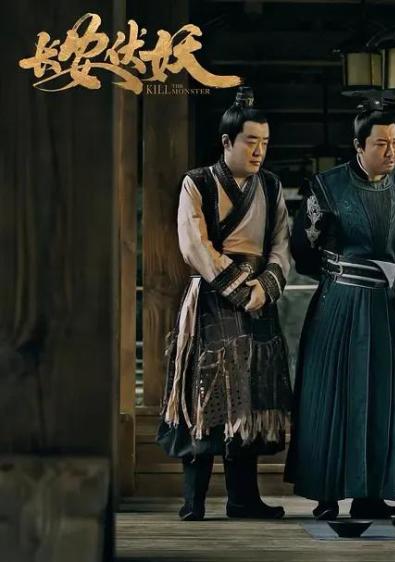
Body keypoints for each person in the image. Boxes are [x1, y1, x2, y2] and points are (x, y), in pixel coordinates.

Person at [283, 99, 395, 520]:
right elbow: (301, 250)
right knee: (330, 396)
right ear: (359, 146)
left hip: (383, 306)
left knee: (382, 397)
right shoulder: (327, 186)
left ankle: (372, 494)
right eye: (381, 144)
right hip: (339, 302)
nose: (391, 151)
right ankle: (326, 493)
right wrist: (338, 275)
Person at [157, 86, 293, 521]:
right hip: (211, 296)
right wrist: (239, 288)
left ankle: (243, 499)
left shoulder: (271, 186)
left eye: (264, 143)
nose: (259, 151)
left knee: (249, 395)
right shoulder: (196, 182)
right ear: (226, 142)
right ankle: (193, 499)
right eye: (251, 141)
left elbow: (281, 245)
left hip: (259, 298)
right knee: (204, 391)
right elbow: (194, 243)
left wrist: (264, 287)